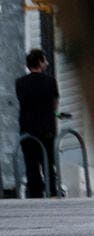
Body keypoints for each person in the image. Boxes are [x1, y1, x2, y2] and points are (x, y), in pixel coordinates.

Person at [16, 49, 60, 198]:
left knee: (31, 165)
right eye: (45, 60)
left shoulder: (20, 83)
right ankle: (52, 193)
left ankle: (35, 195)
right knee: (48, 164)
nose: (46, 63)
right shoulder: (50, 81)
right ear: (40, 62)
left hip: (27, 128)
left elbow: (22, 101)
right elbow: (55, 104)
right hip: (46, 128)